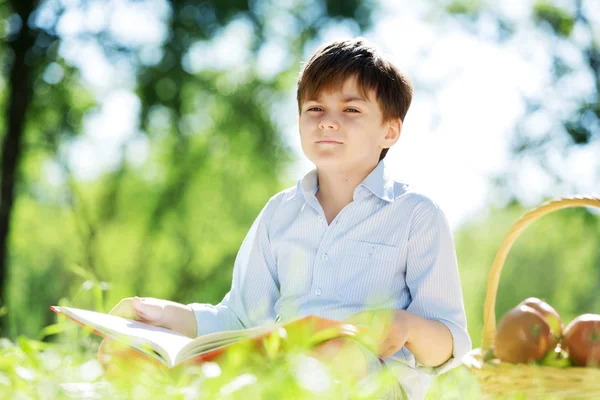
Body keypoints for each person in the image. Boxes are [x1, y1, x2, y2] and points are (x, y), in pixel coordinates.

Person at [98, 37, 471, 399]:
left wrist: (405, 326)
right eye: (315, 109)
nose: (327, 122)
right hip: (279, 371)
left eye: (351, 110)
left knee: (329, 358)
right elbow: (240, 319)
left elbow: (449, 345)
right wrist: (160, 314)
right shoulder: (280, 213)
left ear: (389, 130)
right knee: (129, 352)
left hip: (374, 383)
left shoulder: (417, 214)